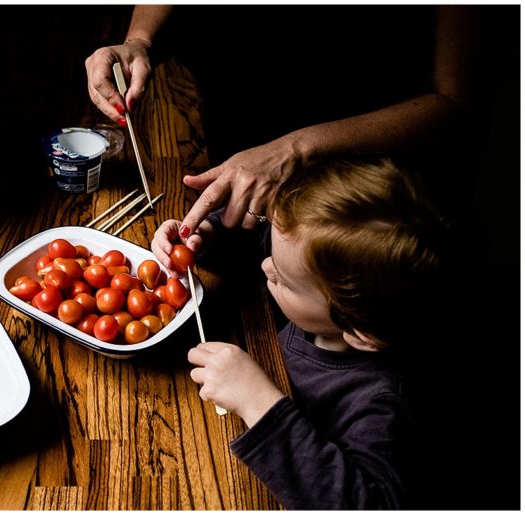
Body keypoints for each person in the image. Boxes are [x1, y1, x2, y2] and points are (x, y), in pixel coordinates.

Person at [150, 155, 467, 509]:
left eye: (281, 280)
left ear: (359, 334)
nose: (266, 266)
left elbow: (363, 503)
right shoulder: (329, 298)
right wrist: (205, 240)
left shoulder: (381, 406)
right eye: (273, 253)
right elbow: (273, 247)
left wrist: (258, 401)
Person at [85, 5, 478, 240]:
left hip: (370, 220)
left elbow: (456, 105)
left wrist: (296, 149)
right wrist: (139, 41)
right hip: (243, 196)